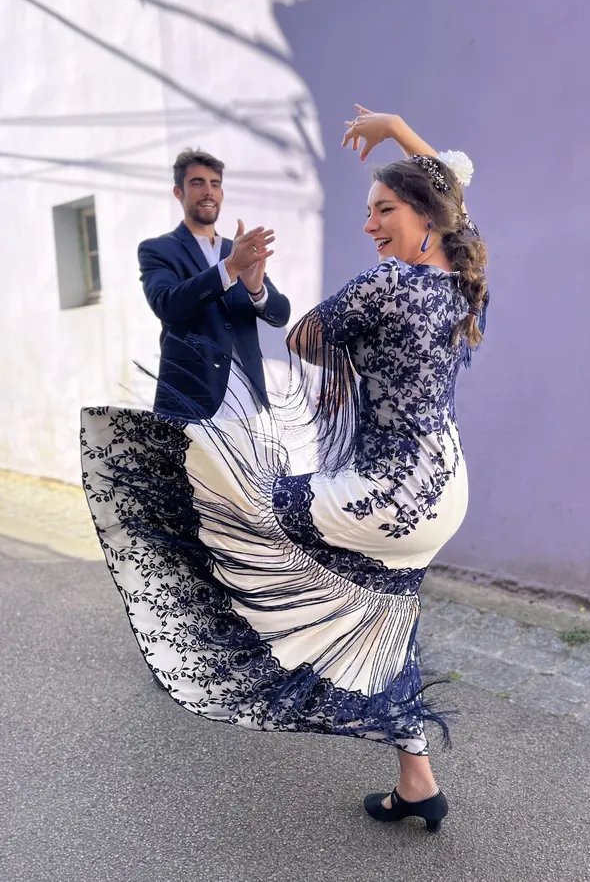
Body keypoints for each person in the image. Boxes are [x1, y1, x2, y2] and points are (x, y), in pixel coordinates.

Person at [80, 106, 488, 834]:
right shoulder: (459, 272)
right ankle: (416, 778)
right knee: (385, 616)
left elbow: (302, 334)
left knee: (245, 509)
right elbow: (454, 199)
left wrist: (342, 346)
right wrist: (395, 129)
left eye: (383, 210)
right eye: (369, 212)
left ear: (422, 212)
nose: (370, 226)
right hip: (446, 485)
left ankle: (226, 645)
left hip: (386, 495)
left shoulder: (384, 284)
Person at [138, 148, 291, 419]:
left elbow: (281, 314)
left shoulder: (239, 249)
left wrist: (256, 289)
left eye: (215, 184)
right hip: (191, 402)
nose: (208, 191)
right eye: (197, 183)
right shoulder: (158, 249)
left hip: (247, 402)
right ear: (178, 192)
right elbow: (167, 305)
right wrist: (229, 268)